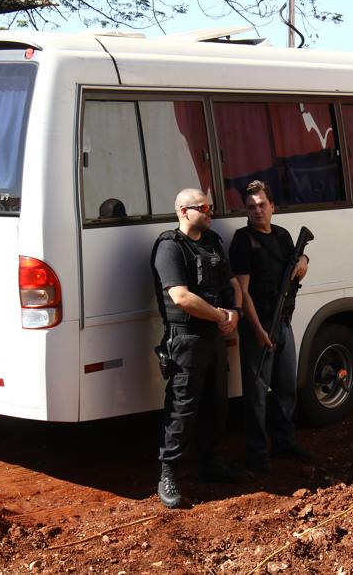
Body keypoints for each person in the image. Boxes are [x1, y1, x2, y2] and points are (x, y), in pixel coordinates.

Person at [150, 188, 244, 509]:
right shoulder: (169, 247)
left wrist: (235, 312)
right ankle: (168, 474)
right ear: (183, 211)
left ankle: (210, 464)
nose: (210, 211)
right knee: (181, 408)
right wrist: (221, 315)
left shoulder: (213, 242)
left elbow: (231, 284)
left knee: (218, 405)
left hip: (214, 338)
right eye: (203, 207)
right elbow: (181, 297)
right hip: (185, 339)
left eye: (211, 206)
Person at [229, 180, 311, 473]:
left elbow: (297, 265)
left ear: (272, 206)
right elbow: (243, 292)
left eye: (262, 205)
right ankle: (258, 453)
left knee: (287, 387)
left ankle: (284, 443)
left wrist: (304, 259)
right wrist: (259, 330)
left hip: (284, 323)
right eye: (251, 207)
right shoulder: (242, 240)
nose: (257, 211)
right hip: (259, 326)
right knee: (256, 395)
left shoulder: (284, 236)